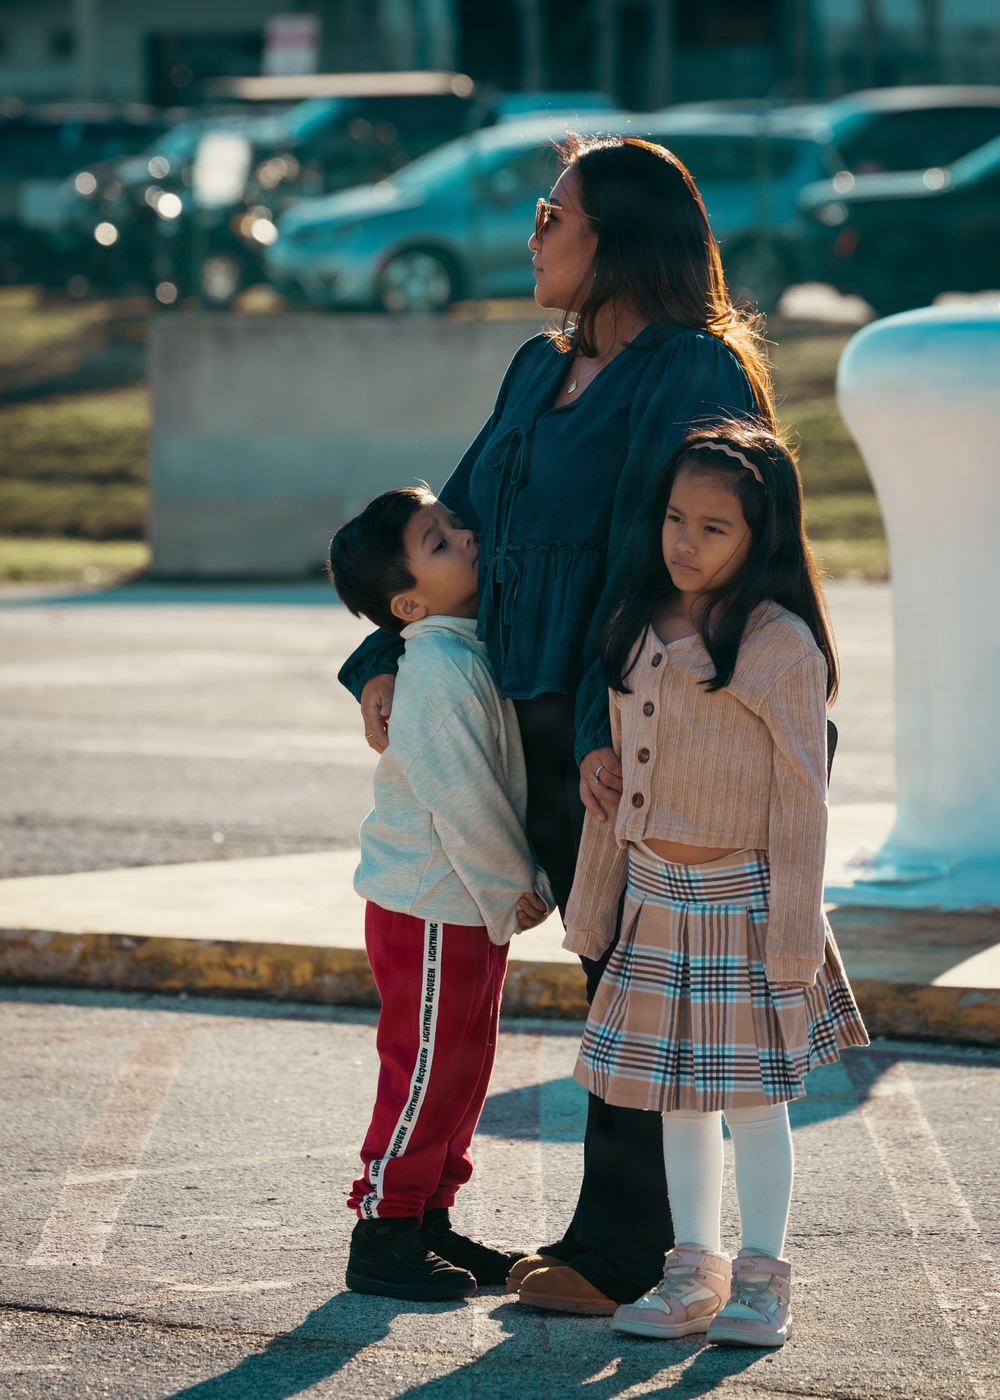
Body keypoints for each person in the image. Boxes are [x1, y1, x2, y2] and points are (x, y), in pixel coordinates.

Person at [339, 134, 778, 1313]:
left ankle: (624, 1252)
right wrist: (382, 652)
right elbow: (452, 519)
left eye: (551, 216)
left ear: (618, 241)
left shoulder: (690, 370)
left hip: (628, 731)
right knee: (607, 974)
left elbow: (674, 566)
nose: (531, 234)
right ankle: (574, 1233)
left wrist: (601, 724)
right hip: (526, 726)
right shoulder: (539, 368)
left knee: (636, 983)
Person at [561, 424, 868, 1347]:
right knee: (677, 1101)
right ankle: (693, 1270)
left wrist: (795, 938)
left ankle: (762, 1282)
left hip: (748, 909)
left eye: (713, 528)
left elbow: (804, 803)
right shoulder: (632, 623)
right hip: (655, 900)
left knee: (755, 1105)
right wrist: (593, 905)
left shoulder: (780, 646)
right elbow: (619, 786)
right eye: (674, 518)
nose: (685, 543)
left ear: (761, 537)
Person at [328, 485, 554, 1302]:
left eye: (455, 523)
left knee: (464, 1066)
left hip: (462, 902)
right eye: (438, 538)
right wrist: (516, 885)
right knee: (425, 1068)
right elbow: (461, 796)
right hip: (429, 901)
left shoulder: (464, 647)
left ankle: (429, 1217)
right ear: (408, 604)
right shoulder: (436, 670)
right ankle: (383, 1229)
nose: (466, 533)